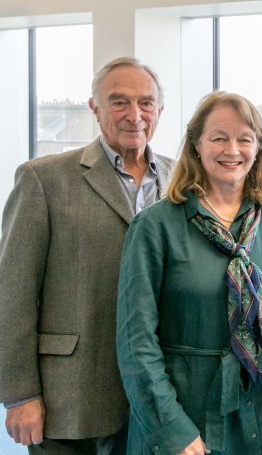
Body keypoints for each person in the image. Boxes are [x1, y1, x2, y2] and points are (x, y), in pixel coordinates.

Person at [116, 90, 262, 455]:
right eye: (219, 137)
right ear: (196, 145)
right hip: (186, 412)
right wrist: (172, 428)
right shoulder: (155, 227)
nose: (232, 150)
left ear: (259, 148)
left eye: (244, 139)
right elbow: (136, 342)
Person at [0, 57, 173, 454]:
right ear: (94, 107)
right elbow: (13, 294)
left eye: (146, 103)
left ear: (159, 111)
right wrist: (20, 395)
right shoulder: (43, 179)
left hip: (157, 398)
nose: (135, 115)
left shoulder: (180, 179)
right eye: (119, 102)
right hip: (71, 396)